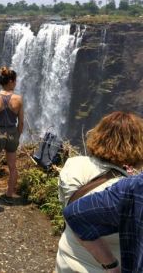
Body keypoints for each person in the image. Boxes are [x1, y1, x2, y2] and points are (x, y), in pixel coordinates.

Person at [56, 111, 143, 272]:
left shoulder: (73, 164)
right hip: (105, 268)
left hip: (66, 259)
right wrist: (112, 265)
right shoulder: (127, 189)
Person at [63, 173, 143, 273]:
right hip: (93, 266)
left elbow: (73, 212)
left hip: (68, 251)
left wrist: (111, 265)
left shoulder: (134, 186)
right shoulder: (129, 183)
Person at [0, 67, 24, 204]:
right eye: (15, 81)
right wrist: (17, 136)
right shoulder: (18, 99)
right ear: (11, 81)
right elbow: (21, 122)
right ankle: (9, 195)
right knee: (12, 166)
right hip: (12, 132)